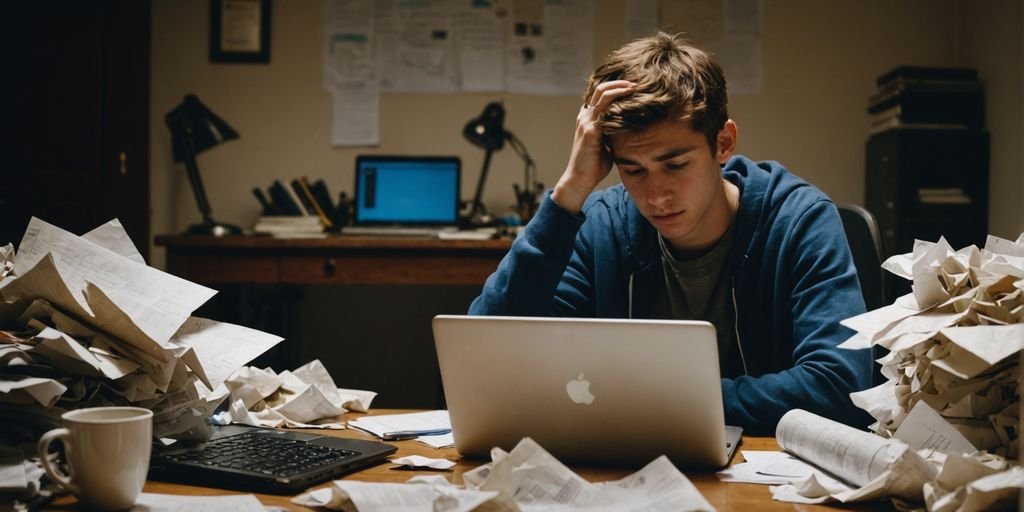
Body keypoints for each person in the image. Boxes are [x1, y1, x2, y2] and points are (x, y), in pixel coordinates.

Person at [468, 32, 871, 434]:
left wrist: (647, 401)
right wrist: (571, 189)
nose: (656, 196)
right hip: (626, 468)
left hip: (763, 471)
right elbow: (488, 353)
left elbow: (840, 388)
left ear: (723, 142)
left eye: (675, 164)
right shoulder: (601, 225)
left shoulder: (799, 220)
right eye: (633, 170)